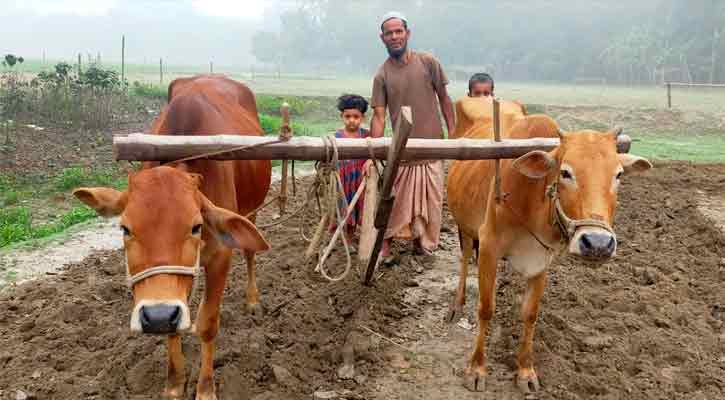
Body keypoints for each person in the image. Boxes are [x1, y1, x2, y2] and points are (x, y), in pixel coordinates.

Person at [370, 11, 455, 260]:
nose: (395, 36)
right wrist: (372, 151)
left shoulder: (428, 62)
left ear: (407, 34)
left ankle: (421, 243)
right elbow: (378, 116)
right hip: (403, 152)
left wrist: (454, 135)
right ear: (382, 38)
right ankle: (384, 243)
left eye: (399, 31)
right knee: (395, 201)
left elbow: (445, 98)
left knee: (431, 201)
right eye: (389, 33)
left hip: (432, 148)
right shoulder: (381, 75)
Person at [331, 94, 371, 247]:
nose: (352, 120)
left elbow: (374, 153)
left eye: (356, 116)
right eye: (347, 116)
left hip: (360, 179)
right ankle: (347, 238)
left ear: (363, 118)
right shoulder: (336, 137)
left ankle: (353, 234)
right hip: (343, 180)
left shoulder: (366, 136)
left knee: (358, 206)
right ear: (342, 116)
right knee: (343, 206)